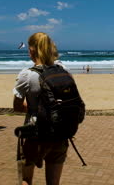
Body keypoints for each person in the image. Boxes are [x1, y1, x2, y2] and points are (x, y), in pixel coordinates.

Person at [13, 32, 69, 185]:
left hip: (33, 131)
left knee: (25, 180)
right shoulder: (63, 70)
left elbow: (17, 107)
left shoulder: (27, 75)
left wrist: (36, 109)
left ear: (31, 50)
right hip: (59, 132)